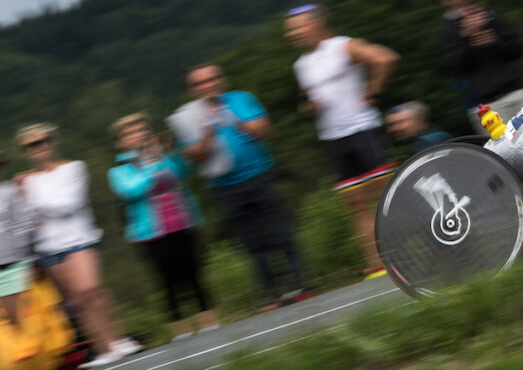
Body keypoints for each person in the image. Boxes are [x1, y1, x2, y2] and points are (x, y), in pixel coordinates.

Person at [167, 65, 310, 310]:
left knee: (281, 230)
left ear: (222, 80)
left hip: (260, 175)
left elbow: (267, 131)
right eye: (201, 83)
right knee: (252, 241)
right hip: (226, 186)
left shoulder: (241, 99)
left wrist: (240, 123)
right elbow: (193, 157)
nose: (208, 85)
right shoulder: (187, 117)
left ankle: (301, 282)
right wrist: (207, 136)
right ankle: (270, 292)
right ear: (193, 90)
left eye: (212, 79)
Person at [14, 124, 143, 367]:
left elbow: (70, 205)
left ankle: (117, 339)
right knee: (77, 302)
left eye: (44, 141)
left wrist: (31, 198)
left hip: (80, 239)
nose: (40, 147)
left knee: (90, 289)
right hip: (49, 246)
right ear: (25, 151)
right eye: (33, 144)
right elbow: (29, 219)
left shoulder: (73, 168)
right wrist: (27, 201)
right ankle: (104, 347)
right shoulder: (26, 181)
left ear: (53, 142)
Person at [285, 4, 399, 277]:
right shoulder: (300, 65)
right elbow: (307, 100)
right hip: (333, 138)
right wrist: (310, 107)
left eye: (299, 27)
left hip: (362, 129)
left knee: (390, 193)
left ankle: (421, 243)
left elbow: (385, 58)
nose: (294, 34)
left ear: (318, 24)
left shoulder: (342, 46)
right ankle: (376, 262)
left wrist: (373, 92)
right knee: (356, 202)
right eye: (290, 30)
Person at [107, 113, 218, 341]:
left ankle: (212, 326)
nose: (138, 134)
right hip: (151, 233)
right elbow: (131, 191)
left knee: (194, 273)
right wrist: (149, 165)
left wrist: (162, 156)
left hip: (183, 222)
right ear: (120, 142)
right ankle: (181, 333)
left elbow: (181, 173)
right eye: (130, 132)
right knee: (167, 280)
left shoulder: (163, 156)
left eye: (141, 130)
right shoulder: (119, 171)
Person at [438, 0, 523, 134]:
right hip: (484, 105)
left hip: (519, 91)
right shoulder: (448, 30)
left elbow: (519, 49)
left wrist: (495, 41)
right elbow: (452, 67)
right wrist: (467, 39)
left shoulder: (495, 15)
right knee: (504, 154)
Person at [0, 152, 36, 360]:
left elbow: (23, 224)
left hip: (13, 263)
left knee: (20, 317)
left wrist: (29, 259)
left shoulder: (8, 191)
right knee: (7, 322)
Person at [384, 101, 450, 156]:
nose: (392, 129)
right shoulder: (417, 143)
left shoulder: (429, 142)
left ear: (419, 119)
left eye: (399, 122)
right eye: (390, 125)